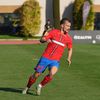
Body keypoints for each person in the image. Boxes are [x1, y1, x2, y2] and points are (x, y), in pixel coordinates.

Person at [22, 18, 73, 95]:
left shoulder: (68, 38)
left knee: (51, 74)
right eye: (67, 26)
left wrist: (69, 58)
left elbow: (70, 49)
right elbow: (42, 40)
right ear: (62, 25)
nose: (69, 27)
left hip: (55, 61)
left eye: (69, 26)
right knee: (36, 75)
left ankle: (40, 86)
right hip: (45, 58)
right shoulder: (54, 32)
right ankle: (27, 87)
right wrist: (44, 38)